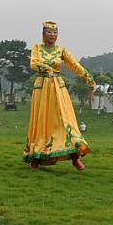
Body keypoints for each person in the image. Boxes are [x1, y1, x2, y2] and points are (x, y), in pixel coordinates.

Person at [24, 21, 96, 170]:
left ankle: (75, 156)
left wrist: (90, 80)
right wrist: (47, 68)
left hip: (58, 87)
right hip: (42, 87)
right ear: (43, 34)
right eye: (49, 32)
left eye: (55, 32)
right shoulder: (37, 48)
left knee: (65, 119)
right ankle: (35, 157)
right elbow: (33, 63)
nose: (53, 35)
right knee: (41, 120)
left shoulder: (61, 50)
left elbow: (75, 65)